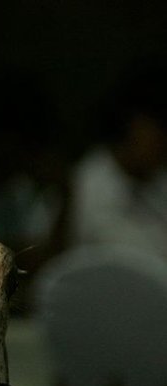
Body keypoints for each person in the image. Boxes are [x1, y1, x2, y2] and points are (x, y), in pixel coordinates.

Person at [69, 62, 167, 258]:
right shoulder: (87, 184)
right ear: (133, 122)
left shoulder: (159, 179)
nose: (163, 144)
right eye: (161, 131)